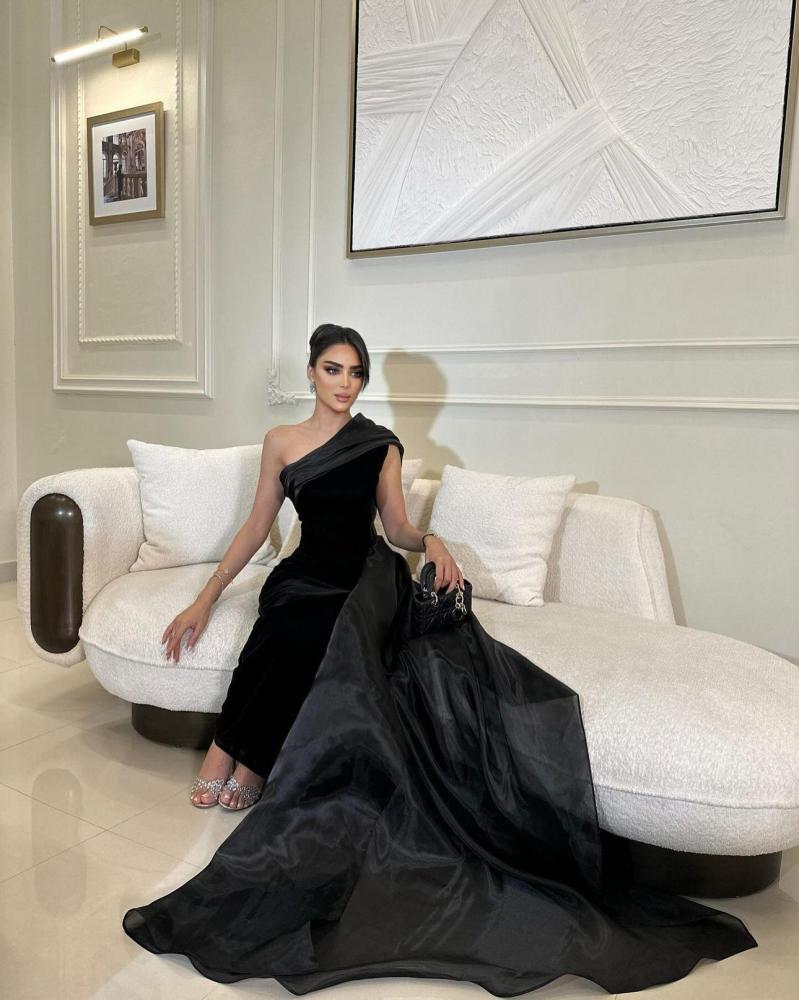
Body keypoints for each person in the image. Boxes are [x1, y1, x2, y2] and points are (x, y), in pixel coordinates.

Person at [123, 323, 757, 995]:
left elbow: (394, 525)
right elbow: (257, 526)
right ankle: (230, 751)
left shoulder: (379, 444)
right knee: (279, 619)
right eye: (333, 369)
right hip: (304, 571)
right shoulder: (280, 441)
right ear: (310, 372)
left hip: (363, 575)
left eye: (356, 373)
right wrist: (204, 598)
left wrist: (431, 539)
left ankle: (242, 760)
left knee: (318, 635)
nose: (345, 384)